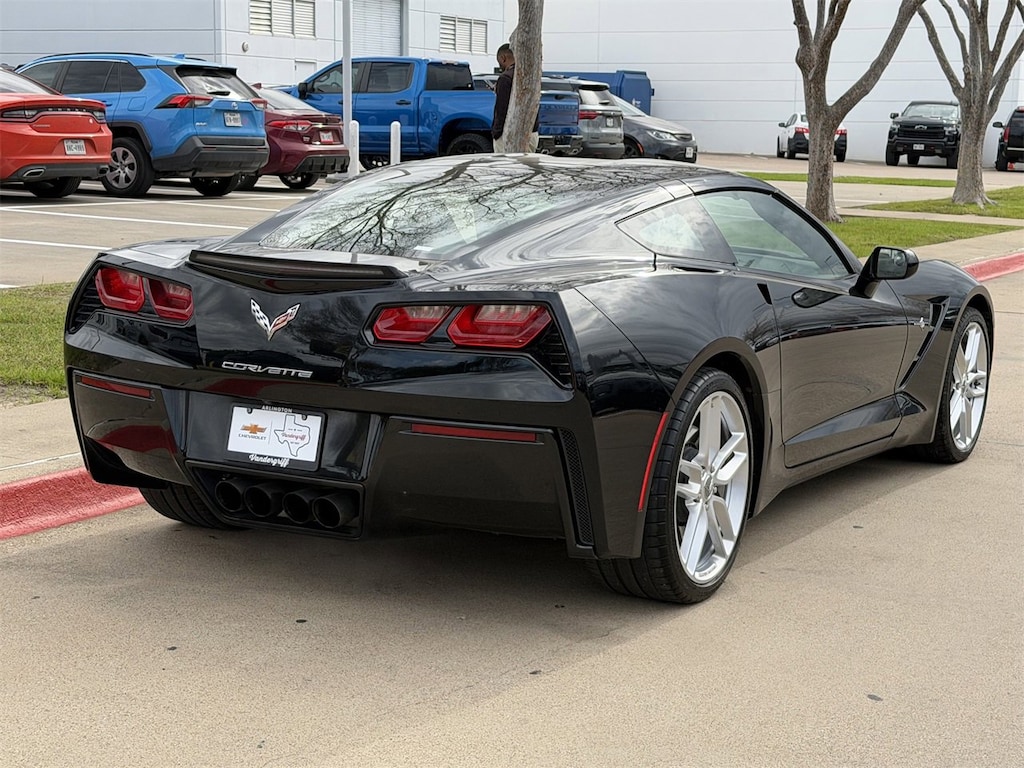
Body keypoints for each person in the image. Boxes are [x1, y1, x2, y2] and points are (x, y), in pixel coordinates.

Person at [491, 43, 539, 153]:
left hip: (510, 133)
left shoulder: (505, 78)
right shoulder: (531, 75)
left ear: (503, 58)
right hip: (531, 132)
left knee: (505, 167)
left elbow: (501, 108)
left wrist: (496, 133)